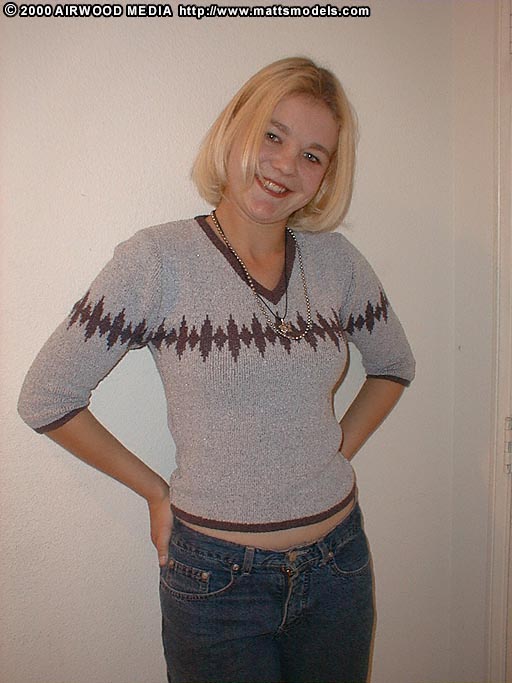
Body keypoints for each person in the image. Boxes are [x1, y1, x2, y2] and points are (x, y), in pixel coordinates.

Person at [18, 57, 415, 683]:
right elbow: (46, 398)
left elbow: (393, 365)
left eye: (313, 155)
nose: (285, 164)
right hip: (216, 584)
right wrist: (155, 492)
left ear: (325, 177)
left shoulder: (338, 263)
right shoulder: (157, 261)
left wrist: (334, 449)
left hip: (339, 567)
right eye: (273, 135)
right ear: (234, 130)